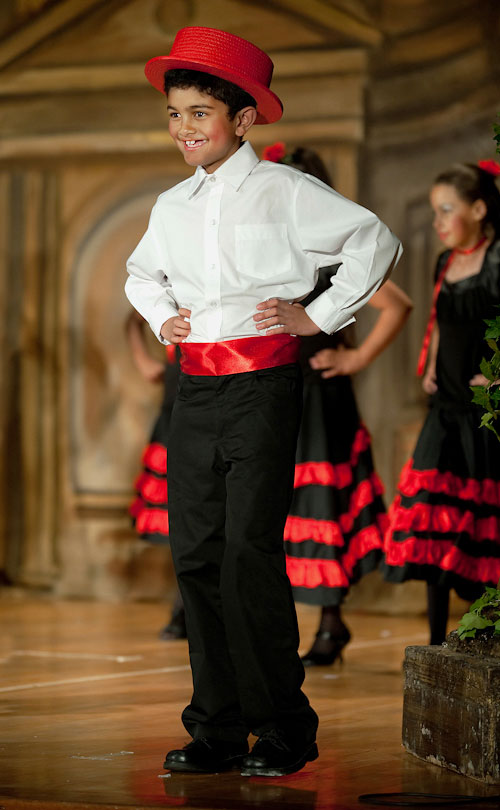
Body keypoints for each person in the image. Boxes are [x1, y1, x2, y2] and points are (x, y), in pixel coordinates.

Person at [125, 26, 402, 777]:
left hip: (262, 387)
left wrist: (320, 315)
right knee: (197, 557)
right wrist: (162, 319)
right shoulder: (172, 206)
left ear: (242, 120)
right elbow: (139, 275)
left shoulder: (286, 192)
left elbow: (374, 241)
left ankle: (284, 729)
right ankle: (215, 729)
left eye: (200, 113)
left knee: (249, 553)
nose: (184, 128)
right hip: (196, 390)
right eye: (174, 113)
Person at [262, 145, 413, 666]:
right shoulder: (271, 245)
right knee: (281, 506)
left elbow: (396, 303)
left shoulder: (330, 249)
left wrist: (356, 359)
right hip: (278, 387)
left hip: (321, 395)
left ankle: (330, 621)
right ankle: (315, 623)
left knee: (321, 505)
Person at [382, 160, 500, 645]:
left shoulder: (497, 259)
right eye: (434, 211)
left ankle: (484, 630)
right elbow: (439, 320)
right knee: (432, 512)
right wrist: (430, 364)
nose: (438, 222)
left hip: (484, 412)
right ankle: (433, 642)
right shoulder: (446, 261)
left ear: (478, 208)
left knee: (481, 520)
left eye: (447, 210)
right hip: (445, 407)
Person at [126, 310, 186, 640]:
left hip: (212, 395)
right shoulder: (171, 276)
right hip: (176, 403)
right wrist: (144, 362)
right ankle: (183, 605)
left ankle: (189, 606)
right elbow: (133, 318)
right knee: (180, 512)